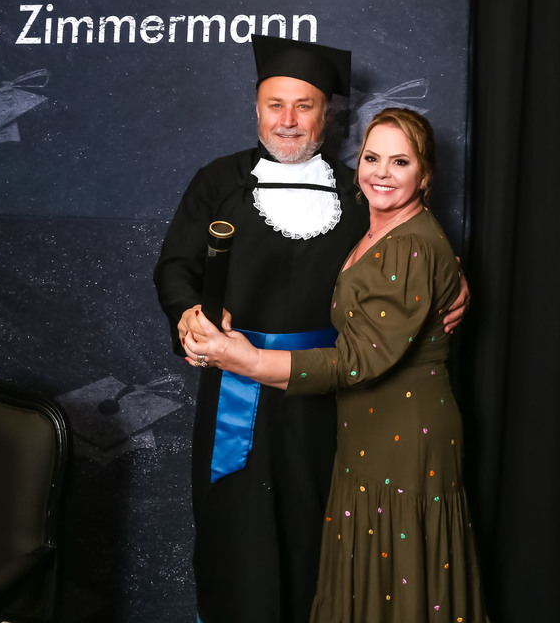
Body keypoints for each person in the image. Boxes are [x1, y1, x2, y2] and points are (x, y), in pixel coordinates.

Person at [154, 36, 469, 623]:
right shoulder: (218, 181)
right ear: (256, 108)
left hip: (330, 396)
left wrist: (456, 280)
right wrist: (188, 314)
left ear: (328, 114)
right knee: (236, 537)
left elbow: (408, 242)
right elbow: (176, 268)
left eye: (304, 106)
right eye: (276, 105)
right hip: (236, 389)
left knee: (318, 535)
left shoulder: (360, 187)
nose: (288, 120)